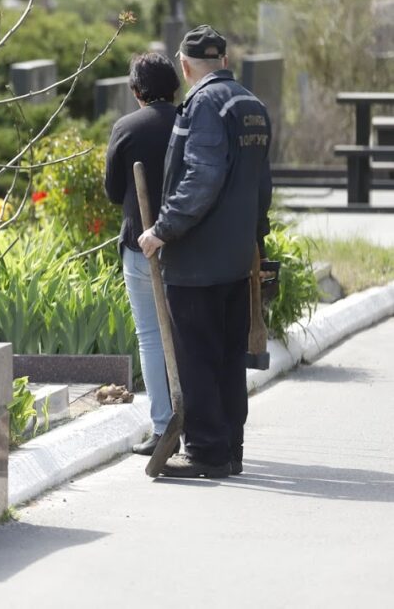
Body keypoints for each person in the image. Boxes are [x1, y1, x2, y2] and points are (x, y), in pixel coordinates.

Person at [138, 25, 272, 478]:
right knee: (229, 356)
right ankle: (229, 448)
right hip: (236, 258)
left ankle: (208, 453)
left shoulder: (204, 104)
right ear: (226, 61)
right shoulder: (250, 105)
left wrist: (162, 229)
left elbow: (202, 177)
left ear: (185, 65)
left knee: (196, 355)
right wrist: (257, 239)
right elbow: (261, 187)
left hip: (198, 260)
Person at [104, 52, 181, 456]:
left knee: (151, 337)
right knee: (189, 336)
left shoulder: (127, 127)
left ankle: (164, 426)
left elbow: (114, 191)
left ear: (136, 92)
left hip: (140, 245)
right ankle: (198, 424)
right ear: (176, 86)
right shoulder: (190, 121)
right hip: (189, 247)